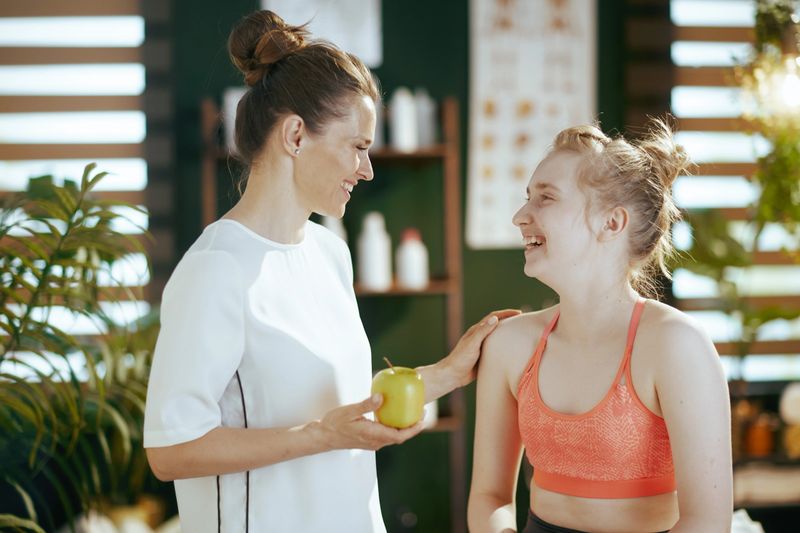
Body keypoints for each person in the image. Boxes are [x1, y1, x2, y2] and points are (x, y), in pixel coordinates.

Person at [143, 10, 516, 533]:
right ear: (295, 136)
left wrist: (451, 372)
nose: (367, 169)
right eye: (358, 147)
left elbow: (341, 407)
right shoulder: (216, 270)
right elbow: (172, 450)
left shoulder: (329, 253)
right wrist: (322, 436)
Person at [468, 120, 733, 533]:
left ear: (612, 223)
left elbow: (707, 522)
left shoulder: (676, 346)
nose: (521, 216)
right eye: (527, 198)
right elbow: (490, 497)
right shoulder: (509, 344)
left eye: (546, 198)